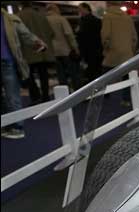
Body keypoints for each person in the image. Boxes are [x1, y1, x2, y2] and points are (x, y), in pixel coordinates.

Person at [2, 9, 46, 139]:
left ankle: (17, 127)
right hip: (7, 62)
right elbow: (26, 35)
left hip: (8, 62)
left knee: (12, 95)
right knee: (10, 96)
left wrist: (37, 44)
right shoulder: (10, 18)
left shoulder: (10, 19)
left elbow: (26, 35)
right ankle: (7, 125)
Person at [101, 1, 137, 105]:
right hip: (127, 52)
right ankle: (126, 100)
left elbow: (105, 36)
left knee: (105, 76)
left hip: (113, 52)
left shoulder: (107, 16)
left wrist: (106, 48)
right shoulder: (127, 17)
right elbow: (134, 37)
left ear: (108, 4)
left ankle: (102, 96)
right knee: (127, 77)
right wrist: (131, 49)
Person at [18, 2, 54, 103]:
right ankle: (46, 96)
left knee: (29, 75)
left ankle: (35, 97)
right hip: (43, 51)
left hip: (28, 52)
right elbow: (50, 32)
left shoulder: (18, 16)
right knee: (43, 74)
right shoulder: (41, 15)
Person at [46, 4, 80, 91]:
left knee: (60, 74)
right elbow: (69, 34)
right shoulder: (61, 19)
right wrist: (75, 47)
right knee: (73, 72)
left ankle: (65, 92)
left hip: (53, 51)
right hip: (65, 50)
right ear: (55, 9)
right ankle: (77, 91)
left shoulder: (45, 20)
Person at [76, 3, 102, 83]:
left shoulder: (83, 21)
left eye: (80, 9)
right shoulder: (97, 20)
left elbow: (81, 36)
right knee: (97, 71)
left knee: (91, 72)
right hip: (97, 49)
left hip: (88, 49)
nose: (78, 11)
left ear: (86, 8)